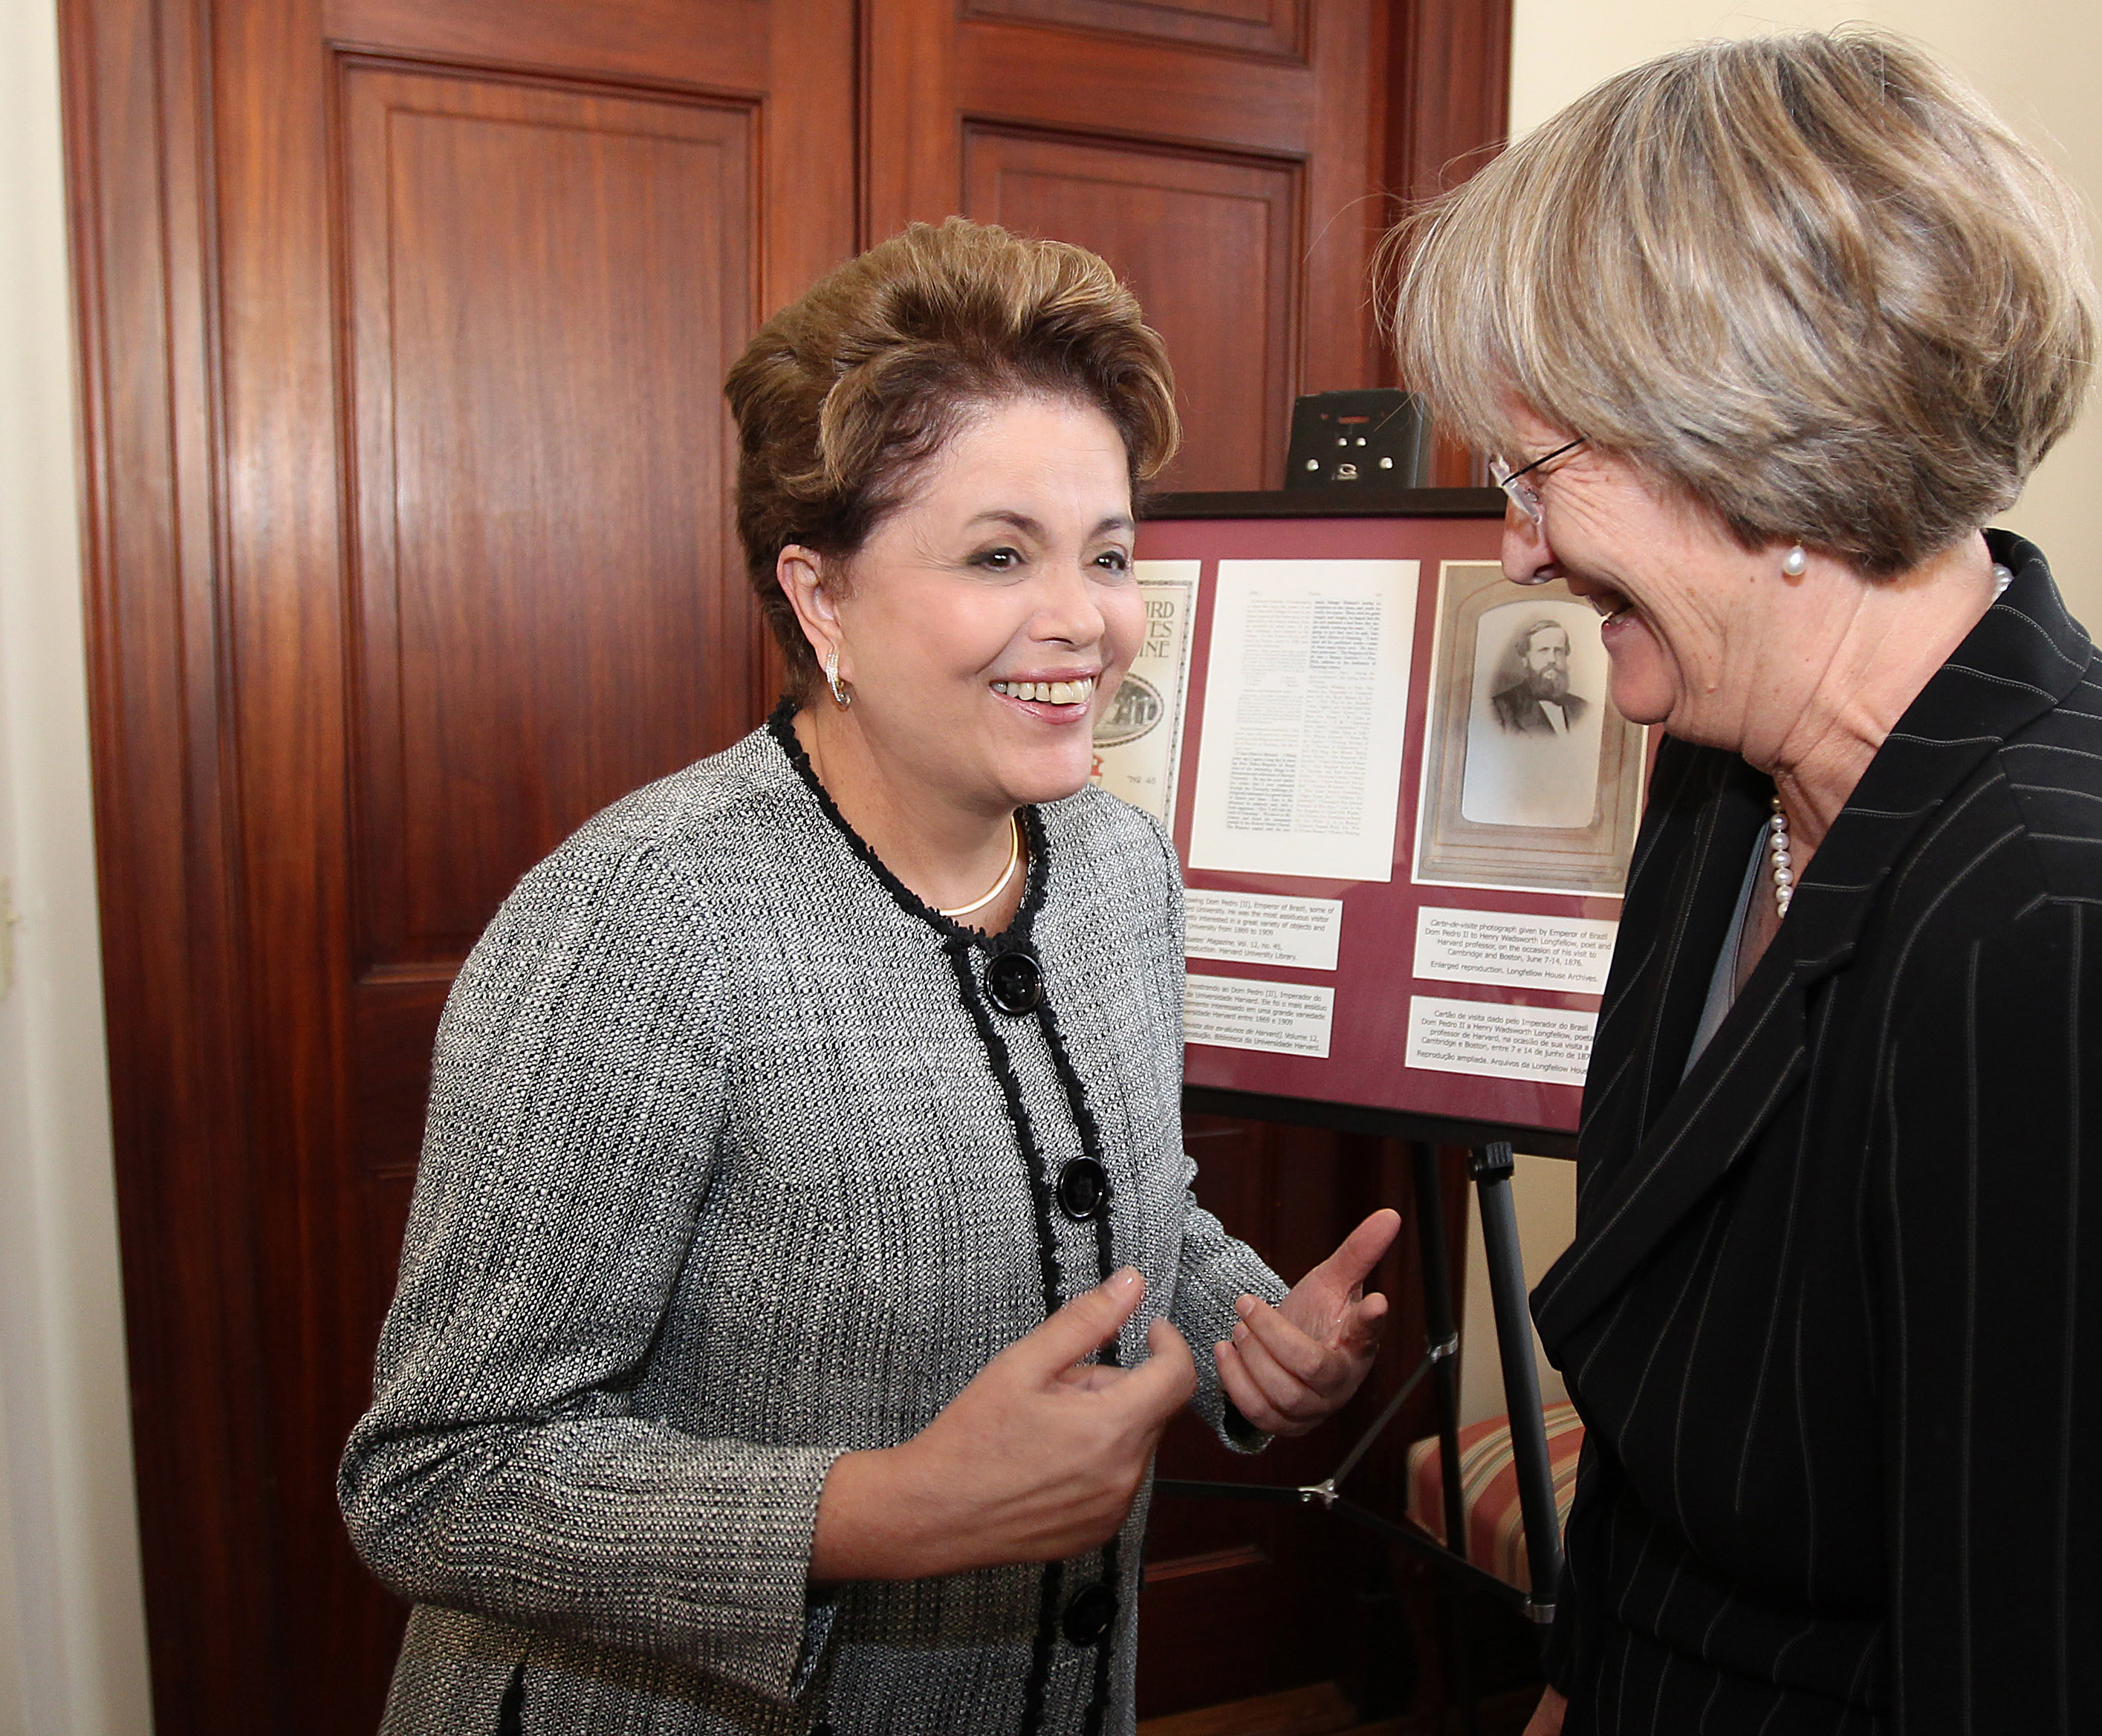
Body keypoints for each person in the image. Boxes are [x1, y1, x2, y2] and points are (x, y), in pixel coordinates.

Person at [1393, 33, 2102, 1736]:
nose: (1512, 545)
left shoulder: (2070, 953)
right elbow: (1677, 1421)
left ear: (1752, 448)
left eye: (1536, 473)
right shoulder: (1719, 759)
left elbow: (2081, 1683)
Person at [340, 218, 1398, 1735]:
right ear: (818, 596)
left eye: (1107, 553)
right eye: (996, 553)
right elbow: (436, 1478)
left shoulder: (1116, 868)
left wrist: (1243, 1327)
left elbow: (1097, 1198)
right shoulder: (643, 920)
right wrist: (888, 1507)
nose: (1085, 620)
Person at [1492, 618, 1587, 735]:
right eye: (1543, 650)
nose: (1552, 659)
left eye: (1558, 651)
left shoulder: (1583, 708)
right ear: (1525, 659)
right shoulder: (1501, 709)